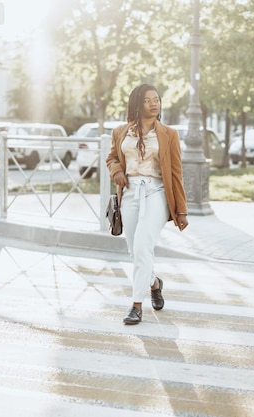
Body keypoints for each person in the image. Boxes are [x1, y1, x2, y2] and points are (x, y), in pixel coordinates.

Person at [106, 83, 188, 325]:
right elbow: (111, 157)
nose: (154, 103)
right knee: (134, 249)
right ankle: (154, 283)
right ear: (137, 104)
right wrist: (117, 171)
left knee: (143, 246)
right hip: (130, 192)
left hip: (157, 192)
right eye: (148, 100)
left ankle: (136, 305)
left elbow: (176, 172)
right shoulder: (121, 132)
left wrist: (181, 210)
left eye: (157, 99)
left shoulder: (169, 134)